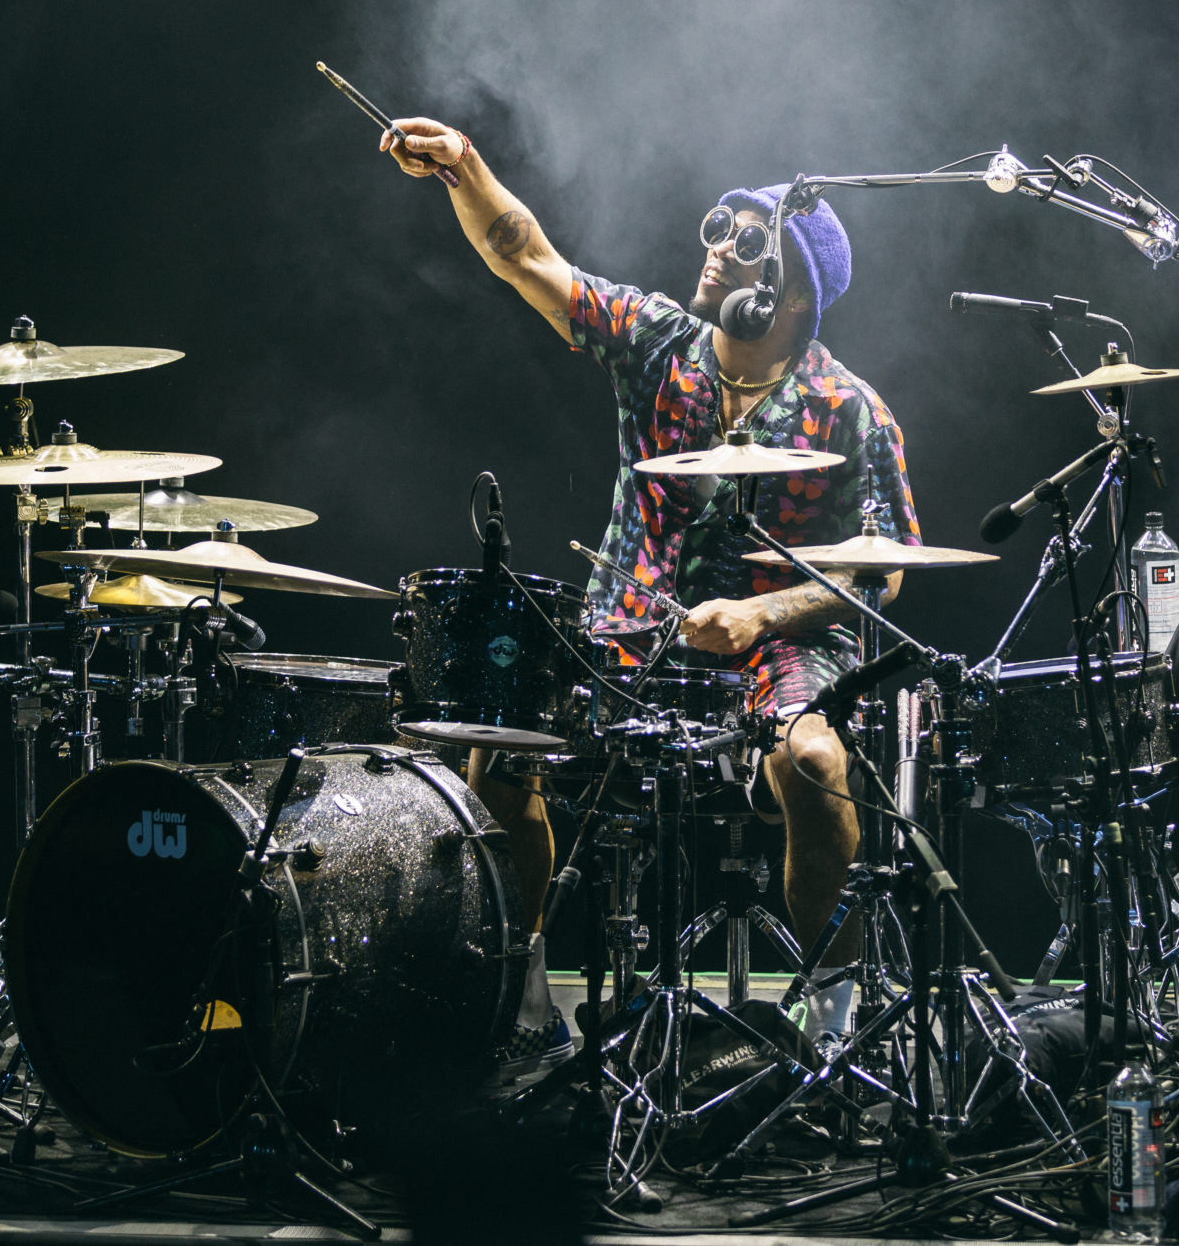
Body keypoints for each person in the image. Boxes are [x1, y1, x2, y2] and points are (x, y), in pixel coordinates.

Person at [381, 119, 923, 1057]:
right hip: (632, 623)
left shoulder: (851, 406)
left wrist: (764, 609)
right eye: (720, 226)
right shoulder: (659, 342)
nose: (717, 250)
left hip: (777, 642)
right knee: (500, 743)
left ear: (793, 299)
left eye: (749, 244)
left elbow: (887, 564)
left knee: (817, 763)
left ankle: (831, 1010)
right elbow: (528, 257)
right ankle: (523, 987)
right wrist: (465, 169)